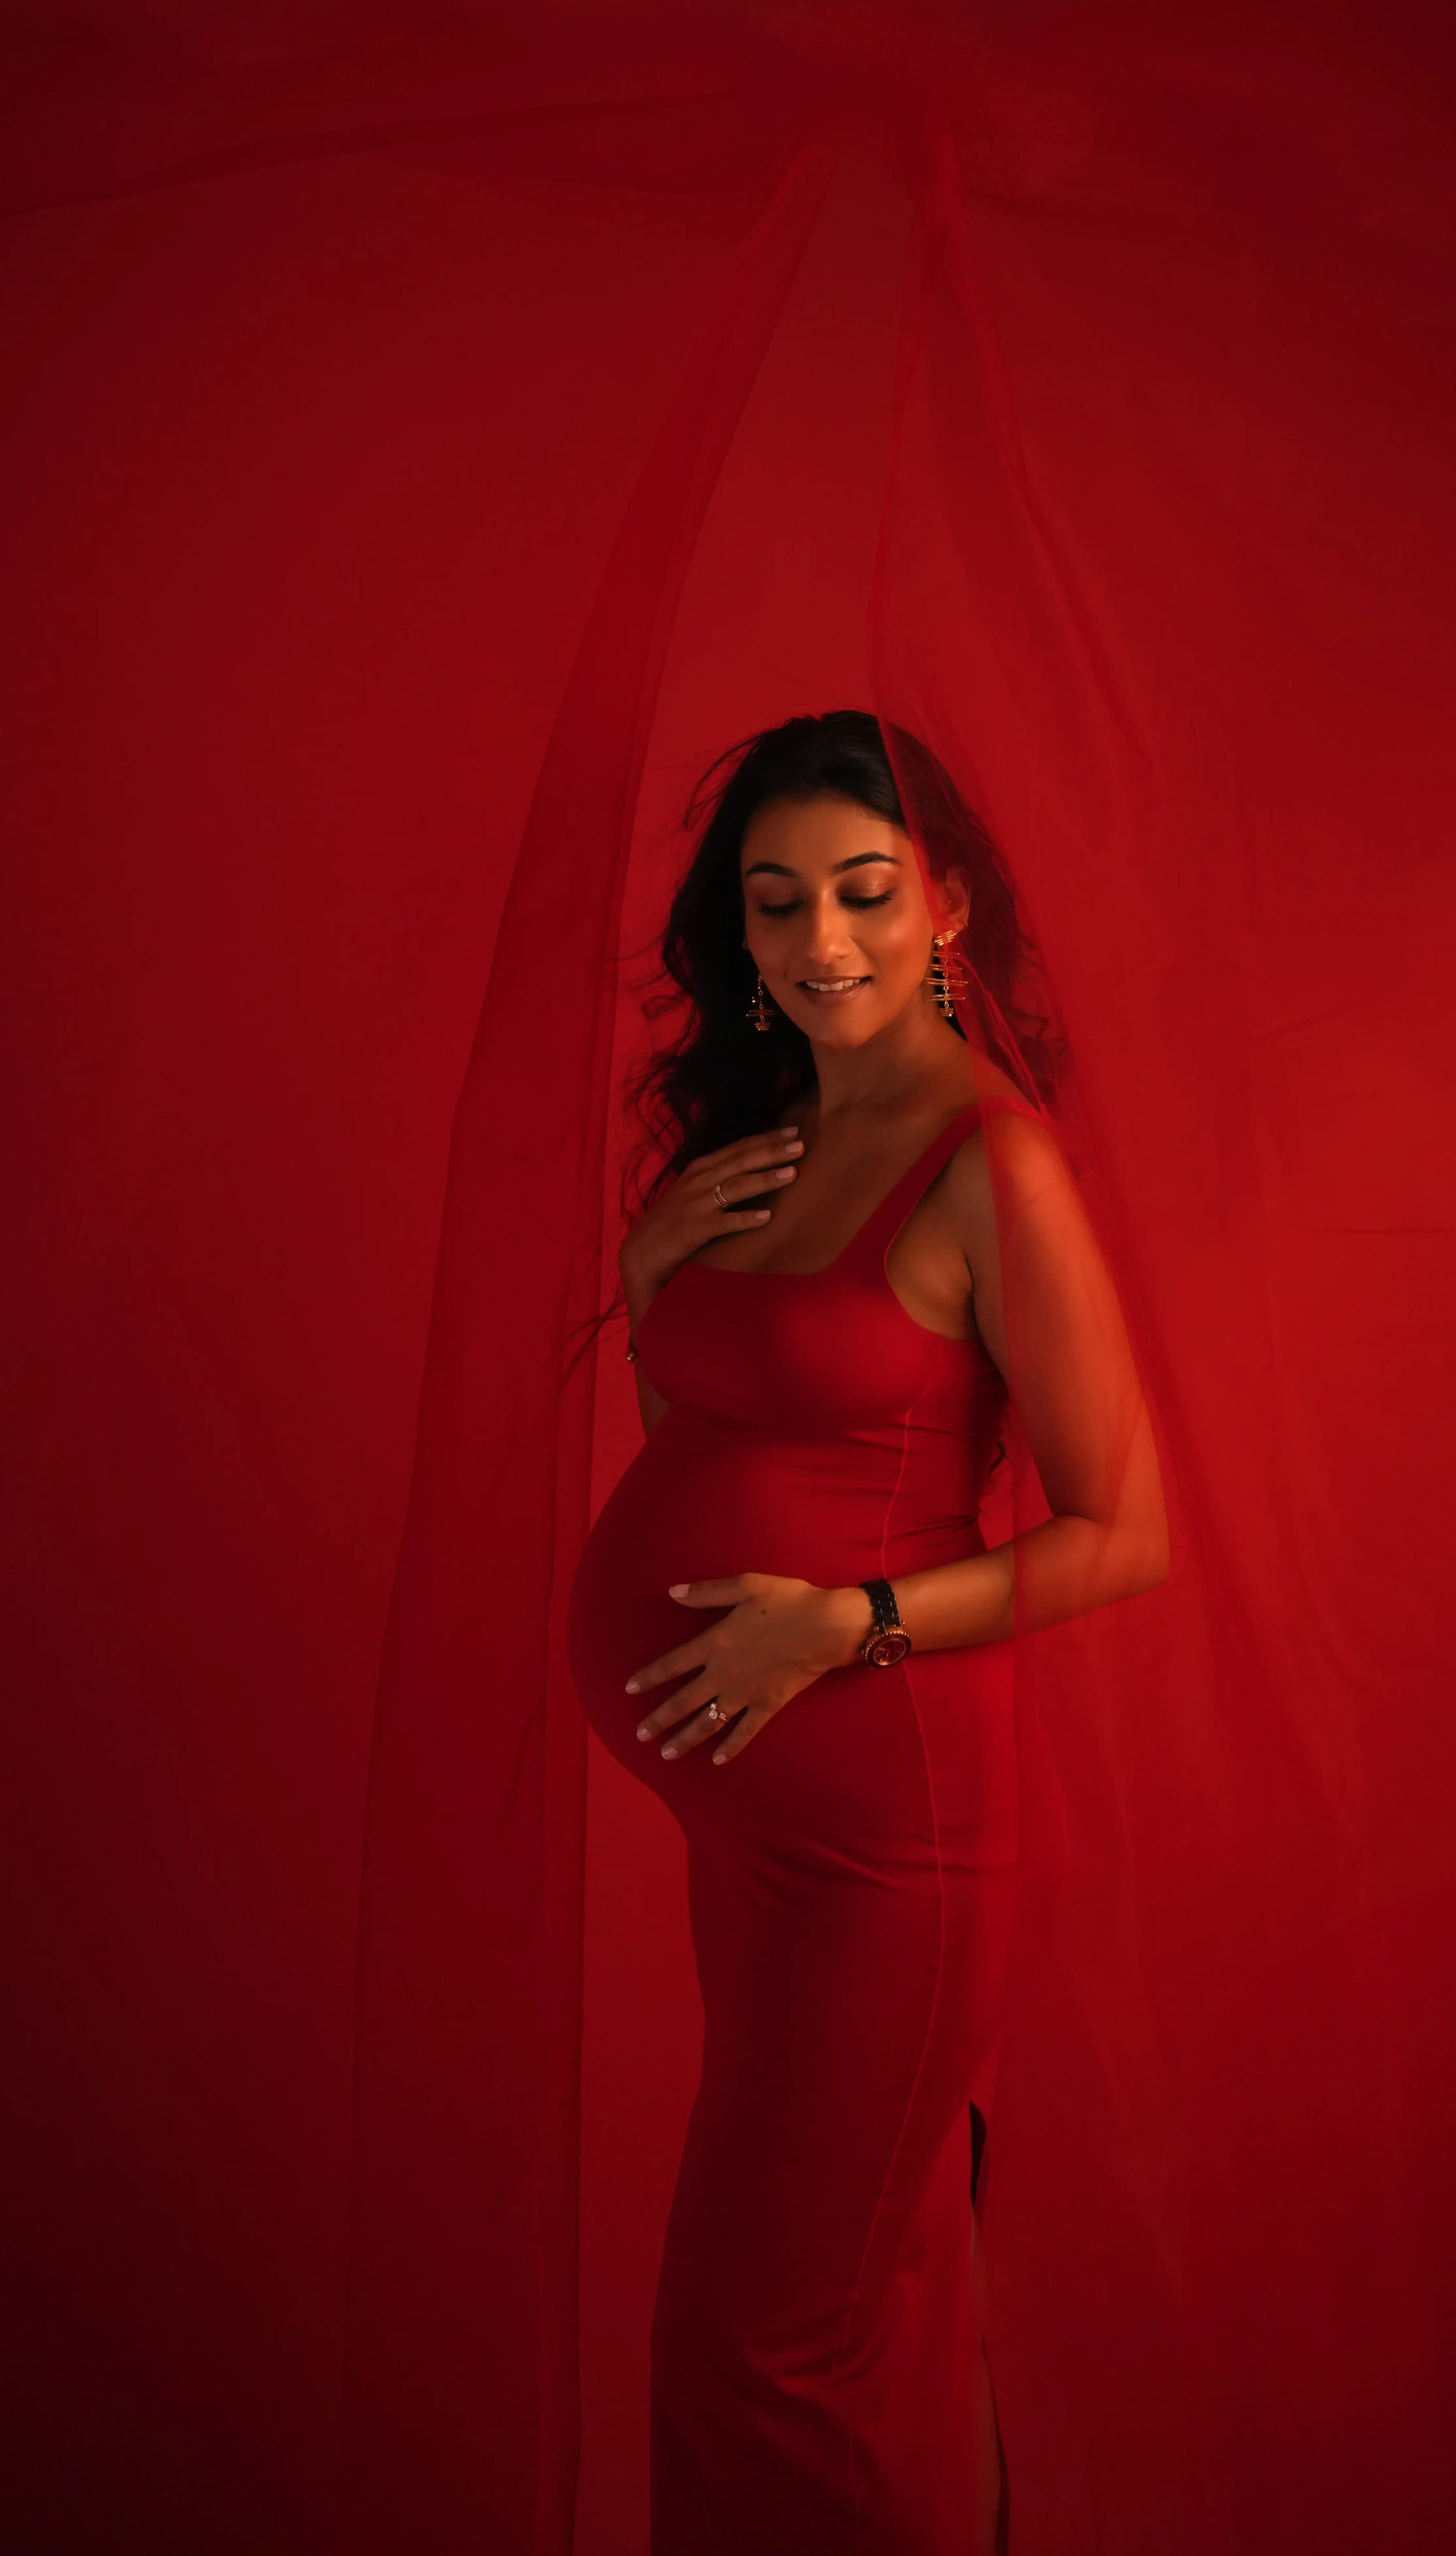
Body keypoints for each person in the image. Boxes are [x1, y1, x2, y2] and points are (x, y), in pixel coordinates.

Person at [566, 709, 1168, 2556]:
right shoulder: (766, 1145)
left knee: (768, 2344)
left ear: (947, 908)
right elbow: (718, 1448)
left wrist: (851, 1623)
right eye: (775, 905)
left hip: (882, 1839)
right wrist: (655, 1278)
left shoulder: (999, 1165)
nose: (819, 941)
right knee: (878, 2312)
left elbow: (1123, 1533)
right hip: (753, 1836)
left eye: (862, 891)